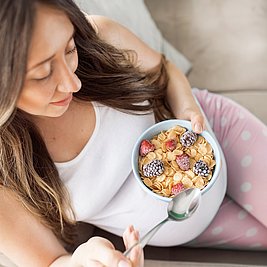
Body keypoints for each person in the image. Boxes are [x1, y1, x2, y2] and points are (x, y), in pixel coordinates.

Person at [0, 0, 267, 266]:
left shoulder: (100, 35)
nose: (74, 83)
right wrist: (82, 259)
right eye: (43, 74)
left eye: (69, 49)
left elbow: (163, 70)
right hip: (199, 227)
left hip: (222, 135)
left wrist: (187, 107)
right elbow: (52, 261)